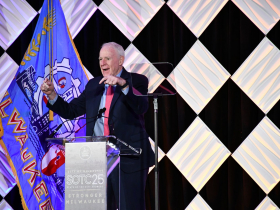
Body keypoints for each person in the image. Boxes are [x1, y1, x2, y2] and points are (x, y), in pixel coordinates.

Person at [41, 42, 155, 210]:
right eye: (100, 59)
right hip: (97, 160)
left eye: (107, 58)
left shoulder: (136, 81)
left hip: (129, 159)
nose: (102, 63)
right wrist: (52, 95)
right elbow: (71, 111)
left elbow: (141, 106)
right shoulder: (94, 84)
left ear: (121, 60)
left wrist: (122, 84)